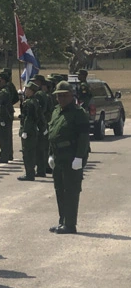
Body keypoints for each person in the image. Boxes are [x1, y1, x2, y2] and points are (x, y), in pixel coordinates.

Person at [47, 81, 89, 234]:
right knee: (59, 190)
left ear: (72, 96)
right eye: (59, 96)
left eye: (65, 95)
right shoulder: (56, 111)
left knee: (71, 190)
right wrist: (50, 154)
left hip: (71, 156)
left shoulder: (79, 113)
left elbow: (84, 137)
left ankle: (70, 224)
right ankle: (62, 220)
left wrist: (79, 157)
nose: (62, 98)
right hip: (58, 156)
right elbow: (52, 135)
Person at [18, 81, 44, 181]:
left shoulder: (29, 103)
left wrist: (25, 130)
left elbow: (29, 118)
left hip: (29, 131)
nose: (25, 91)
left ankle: (29, 174)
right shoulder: (34, 101)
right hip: (33, 130)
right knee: (31, 152)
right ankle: (30, 172)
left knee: (28, 153)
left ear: (31, 91)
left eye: (27, 89)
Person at [33, 74, 53, 176]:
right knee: (44, 147)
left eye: (35, 81)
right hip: (46, 122)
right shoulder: (45, 94)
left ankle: (41, 169)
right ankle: (45, 167)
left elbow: (40, 111)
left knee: (40, 147)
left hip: (42, 123)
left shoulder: (39, 95)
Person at [0, 70, 17, 163]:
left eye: (0, 80)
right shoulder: (5, 89)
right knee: (7, 136)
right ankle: (8, 154)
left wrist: (1, 117)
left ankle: (4, 156)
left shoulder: (4, 90)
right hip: (7, 114)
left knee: (3, 137)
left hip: (4, 116)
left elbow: (2, 106)